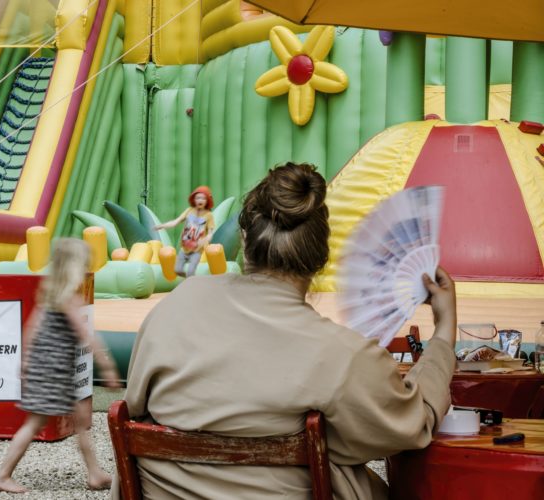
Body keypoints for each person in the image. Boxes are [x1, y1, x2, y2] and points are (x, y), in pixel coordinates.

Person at [117, 163, 457, 499]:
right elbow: (413, 424)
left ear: (245, 239)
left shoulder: (176, 308)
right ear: (320, 257)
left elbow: (135, 412)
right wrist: (443, 331)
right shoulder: (342, 356)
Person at [0, 238, 121, 494]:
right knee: (35, 423)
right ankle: (2, 475)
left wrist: (25, 361)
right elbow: (87, 335)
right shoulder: (67, 299)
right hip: (53, 373)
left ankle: (94, 473)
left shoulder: (49, 295)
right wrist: (108, 367)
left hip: (52, 370)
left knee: (81, 420)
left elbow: (31, 329)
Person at [154, 186, 215, 278]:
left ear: (207, 201)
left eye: (203, 198)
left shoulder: (208, 215)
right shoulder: (189, 211)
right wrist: (162, 226)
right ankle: (188, 282)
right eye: (198, 198)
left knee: (190, 272)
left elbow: (210, 233)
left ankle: (190, 285)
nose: (200, 200)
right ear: (194, 200)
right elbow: (175, 222)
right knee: (177, 270)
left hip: (197, 250)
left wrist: (205, 240)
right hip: (184, 248)